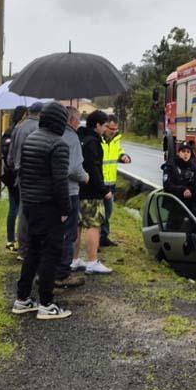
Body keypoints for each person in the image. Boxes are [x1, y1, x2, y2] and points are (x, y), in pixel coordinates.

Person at [11, 101, 73, 320]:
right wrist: (65, 208)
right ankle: (46, 304)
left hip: (30, 204)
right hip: (49, 206)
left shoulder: (31, 139)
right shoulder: (58, 144)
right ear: (60, 121)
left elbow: (23, 172)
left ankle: (22, 299)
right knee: (51, 254)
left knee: (33, 252)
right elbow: (60, 181)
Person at [76, 110, 114, 274]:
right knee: (94, 225)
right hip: (91, 191)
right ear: (97, 125)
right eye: (105, 125)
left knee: (77, 225)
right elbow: (94, 168)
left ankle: (74, 259)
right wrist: (103, 190)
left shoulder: (81, 138)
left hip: (78, 189)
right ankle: (92, 261)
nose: (106, 128)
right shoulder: (93, 142)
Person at [57, 106, 89, 287]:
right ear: (72, 121)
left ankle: (48, 271)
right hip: (70, 191)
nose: (79, 123)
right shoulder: (72, 138)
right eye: (77, 119)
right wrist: (85, 176)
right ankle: (63, 273)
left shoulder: (54, 134)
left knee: (54, 232)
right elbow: (74, 169)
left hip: (52, 191)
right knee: (69, 233)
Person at [7, 102, 43, 256]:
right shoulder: (40, 128)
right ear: (41, 113)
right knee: (38, 211)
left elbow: (10, 157)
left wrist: (16, 167)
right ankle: (33, 248)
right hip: (36, 174)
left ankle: (22, 248)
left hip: (20, 174)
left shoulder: (18, 127)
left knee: (23, 210)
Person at [100, 116, 132, 247]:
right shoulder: (97, 140)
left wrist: (124, 156)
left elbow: (119, 152)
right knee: (97, 214)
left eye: (115, 129)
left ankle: (103, 237)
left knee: (108, 212)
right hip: (98, 182)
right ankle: (95, 241)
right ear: (105, 126)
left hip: (111, 183)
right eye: (111, 128)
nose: (113, 131)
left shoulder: (115, 140)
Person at [0, 106, 27, 251]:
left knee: (15, 208)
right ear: (23, 116)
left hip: (11, 174)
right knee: (17, 208)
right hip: (15, 175)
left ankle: (12, 239)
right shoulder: (15, 132)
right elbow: (8, 154)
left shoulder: (9, 131)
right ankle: (14, 239)